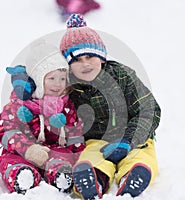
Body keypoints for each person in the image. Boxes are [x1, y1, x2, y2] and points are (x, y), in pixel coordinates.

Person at [59, 14, 161, 199]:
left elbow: (149, 110)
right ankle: (94, 180)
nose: (85, 64)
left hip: (134, 138)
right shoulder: (70, 87)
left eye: (90, 56)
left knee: (140, 156)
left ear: (102, 57)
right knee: (90, 157)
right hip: (95, 141)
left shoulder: (123, 76)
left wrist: (128, 141)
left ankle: (132, 177)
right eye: (76, 60)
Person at [0, 41, 85, 194]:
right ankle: (21, 174)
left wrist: (76, 155)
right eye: (52, 79)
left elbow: (74, 131)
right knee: (9, 160)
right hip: (23, 150)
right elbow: (5, 128)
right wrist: (27, 149)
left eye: (62, 79)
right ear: (37, 80)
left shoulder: (65, 105)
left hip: (54, 150)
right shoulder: (20, 104)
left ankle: (60, 176)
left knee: (62, 159)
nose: (58, 84)